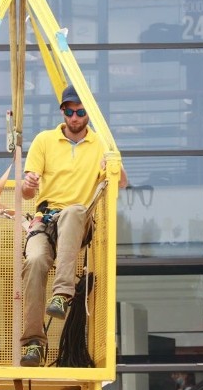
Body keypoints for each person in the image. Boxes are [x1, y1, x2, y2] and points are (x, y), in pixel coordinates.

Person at [19, 85, 126, 367]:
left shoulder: (101, 144)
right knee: (35, 260)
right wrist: (28, 184)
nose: (75, 117)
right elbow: (28, 193)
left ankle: (62, 294)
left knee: (74, 211)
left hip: (79, 221)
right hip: (47, 219)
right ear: (62, 112)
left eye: (80, 111)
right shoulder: (44, 141)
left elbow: (120, 185)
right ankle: (33, 343)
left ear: (88, 113)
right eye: (69, 111)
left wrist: (114, 166)